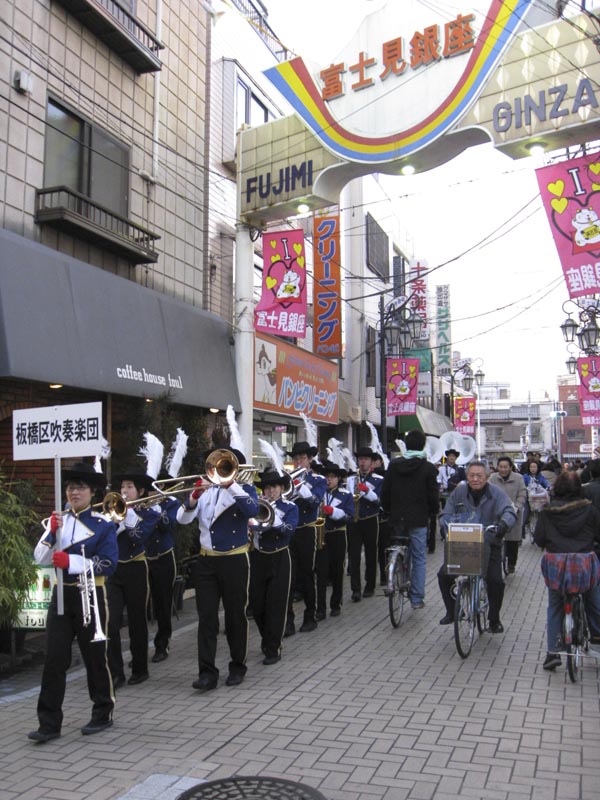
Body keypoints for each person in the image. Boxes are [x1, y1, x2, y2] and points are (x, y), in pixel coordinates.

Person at [28, 462, 118, 743]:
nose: (74, 492)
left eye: (80, 487)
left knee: (94, 656)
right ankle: (49, 722)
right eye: (70, 487)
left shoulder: (104, 525)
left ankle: (103, 711)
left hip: (90, 593)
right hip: (62, 595)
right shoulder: (58, 520)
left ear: (92, 492)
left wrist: (73, 562)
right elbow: (39, 559)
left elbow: (108, 564)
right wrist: (51, 534)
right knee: (54, 659)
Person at [177, 447, 259, 690]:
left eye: (225, 467)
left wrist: (230, 484)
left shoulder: (244, 490)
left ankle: (237, 666)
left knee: (235, 615)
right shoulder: (206, 492)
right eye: (218, 467)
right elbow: (182, 519)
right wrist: (193, 496)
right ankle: (207, 673)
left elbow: (252, 510)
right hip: (206, 561)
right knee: (207, 618)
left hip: (234, 559)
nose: (219, 472)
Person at [438, 461, 517, 633]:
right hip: (463, 544)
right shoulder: (459, 492)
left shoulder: (496, 493)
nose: (475, 479)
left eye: (479, 476)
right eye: (471, 475)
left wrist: (503, 525)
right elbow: (446, 512)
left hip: (489, 542)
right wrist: (445, 525)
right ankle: (453, 611)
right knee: (443, 575)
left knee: (495, 581)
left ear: (487, 477)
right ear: (466, 477)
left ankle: (494, 619)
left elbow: (509, 511)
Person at [533, 471, 600, 670]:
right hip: (583, 564)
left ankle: (553, 652)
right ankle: (597, 636)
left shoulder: (547, 511)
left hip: (556, 565)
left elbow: (539, 539)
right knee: (593, 597)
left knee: (555, 606)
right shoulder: (589, 510)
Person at [107, 467, 161, 688]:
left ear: (139, 491)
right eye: (122, 487)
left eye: (129, 487)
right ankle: (116, 672)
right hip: (113, 570)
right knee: (111, 623)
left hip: (136, 568)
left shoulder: (151, 513)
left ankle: (140, 668)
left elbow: (138, 537)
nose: (124, 491)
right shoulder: (111, 511)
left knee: (137, 621)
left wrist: (127, 513)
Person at [380, 430, 439, 610]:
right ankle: (416, 598)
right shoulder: (428, 468)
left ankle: (395, 574)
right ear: (422, 445)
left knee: (397, 548)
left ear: (406, 444)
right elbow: (433, 495)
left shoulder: (394, 465)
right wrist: (433, 512)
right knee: (419, 557)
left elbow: (385, 492)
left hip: (398, 518)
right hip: (419, 519)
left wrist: (389, 509)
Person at [248, 467, 298, 664]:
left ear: (281, 488)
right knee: (258, 605)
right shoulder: (256, 506)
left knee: (276, 605)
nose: (271, 491)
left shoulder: (289, 507)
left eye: (274, 487)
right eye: (267, 488)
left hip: (280, 557)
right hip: (259, 557)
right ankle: (266, 638)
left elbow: (288, 530)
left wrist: (273, 516)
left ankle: (273, 647)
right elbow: (250, 526)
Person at [285, 441, 327, 635]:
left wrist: (299, 486)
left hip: (307, 530)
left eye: (302, 458)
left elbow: (314, 501)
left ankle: (310, 616)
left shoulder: (318, 479)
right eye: (296, 459)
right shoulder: (286, 478)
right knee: (288, 576)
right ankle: (288, 621)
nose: (299, 462)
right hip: (289, 530)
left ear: (310, 460)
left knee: (307, 574)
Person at [145, 486, 182, 663]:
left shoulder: (171, 503)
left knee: (163, 603)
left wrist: (156, 510)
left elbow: (169, 524)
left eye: (156, 489)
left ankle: (162, 644)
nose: (151, 493)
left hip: (164, 558)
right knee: (141, 606)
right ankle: (139, 649)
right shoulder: (141, 504)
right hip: (143, 559)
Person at [315, 460, 355, 619]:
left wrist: (332, 511)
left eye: (332, 477)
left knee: (337, 571)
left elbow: (349, 517)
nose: (329, 480)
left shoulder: (345, 495)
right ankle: (321, 608)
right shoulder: (319, 493)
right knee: (321, 573)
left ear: (338, 479)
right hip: (322, 534)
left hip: (338, 535)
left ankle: (336, 604)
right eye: (327, 476)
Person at [345, 446, 384, 602]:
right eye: (360, 459)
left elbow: (379, 501)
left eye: (366, 459)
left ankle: (370, 586)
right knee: (354, 555)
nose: (362, 462)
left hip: (370, 519)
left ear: (371, 462)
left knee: (371, 553)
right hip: (354, 520)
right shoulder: (351, 479)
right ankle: (355, 589)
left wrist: (366, 491)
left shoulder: (379, 480)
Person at [489, 456, 527, 573]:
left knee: (512, 541)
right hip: (497, 513)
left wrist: (518, 506)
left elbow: (522, 494)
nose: (503, 469)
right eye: (501, 467)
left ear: (510, 467)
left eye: (505, 467)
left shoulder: (518, 478)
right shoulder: (493, 478)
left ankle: (511, 563)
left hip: (513, 513)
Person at [522, 460, 550, 536]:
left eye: (535, 467)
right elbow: (522, 485)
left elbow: (546, 482)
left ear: (538, 468)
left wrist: (549, 486)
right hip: (528, 499)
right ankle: (521, 535)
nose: (533, 469)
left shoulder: (540, 476)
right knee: (524, 517)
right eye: (531, 467)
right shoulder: (525, 476)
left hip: (538, 500)